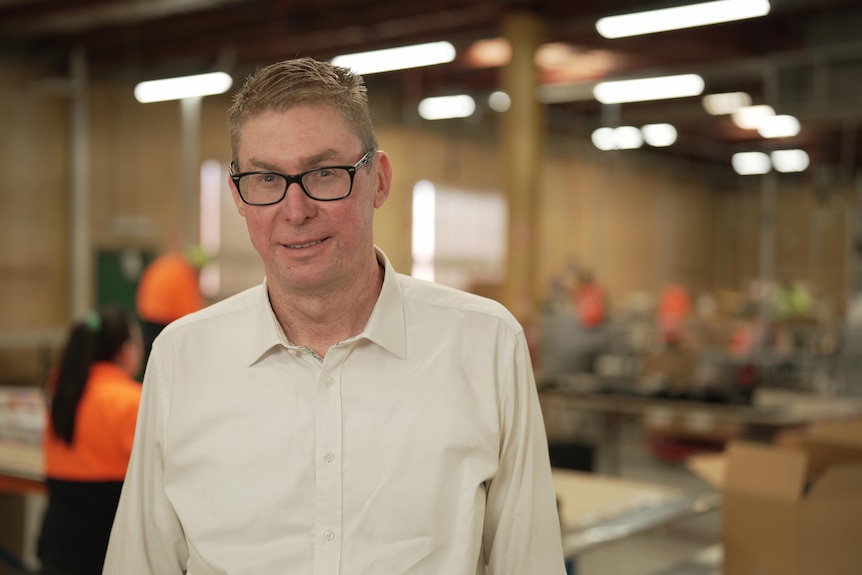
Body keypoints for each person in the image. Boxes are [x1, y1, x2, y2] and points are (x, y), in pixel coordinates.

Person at [104, 57, 566, 574]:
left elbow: (530, 563)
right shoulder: (182, 357)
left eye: (324, 173)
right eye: (265, 178)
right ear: (238, 195)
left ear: (380, 180)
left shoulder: (485, 345)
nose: (295, 209)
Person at [38, 305, 143, 575]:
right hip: (107, 548)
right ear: (124, 349)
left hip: (56, 544)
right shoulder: (132, 401)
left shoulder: (63, 391)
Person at [134, 245, 209, 369]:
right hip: (165, 319)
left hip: (148, 314)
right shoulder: (185, 274)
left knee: (152, 359)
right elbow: (191, 310)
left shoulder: (170, 264)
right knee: (168, 362)